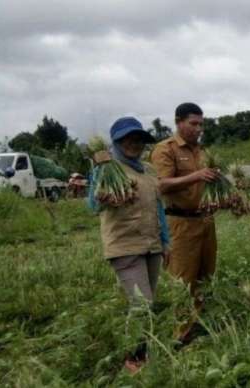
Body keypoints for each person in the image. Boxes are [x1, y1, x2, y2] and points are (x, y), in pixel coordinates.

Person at [89, 117, 169, 373]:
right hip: (125, 246)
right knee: (141, 305)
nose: (134, 144)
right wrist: (102, 191)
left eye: (138, 140)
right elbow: (92, 205)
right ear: (115, 142)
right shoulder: (104, 167)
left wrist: (166, 241)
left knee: (148, 302)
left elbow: (158, 208)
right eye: (127, 139)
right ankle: (134, 358)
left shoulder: (148, 170)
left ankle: (143, 350)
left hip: (152, 244)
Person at [151, 102, 219, 345]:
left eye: (201, 124)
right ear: (178, 122)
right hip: (179, 222)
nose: (198, 128)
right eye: (193, 124)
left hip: (205, 220)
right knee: (182, 278)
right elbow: (161, 184)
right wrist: (196, 176)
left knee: (205, 273)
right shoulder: (165, 149)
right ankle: (178, 334)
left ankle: (198, 322)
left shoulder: (201, 150)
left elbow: (206, 179)